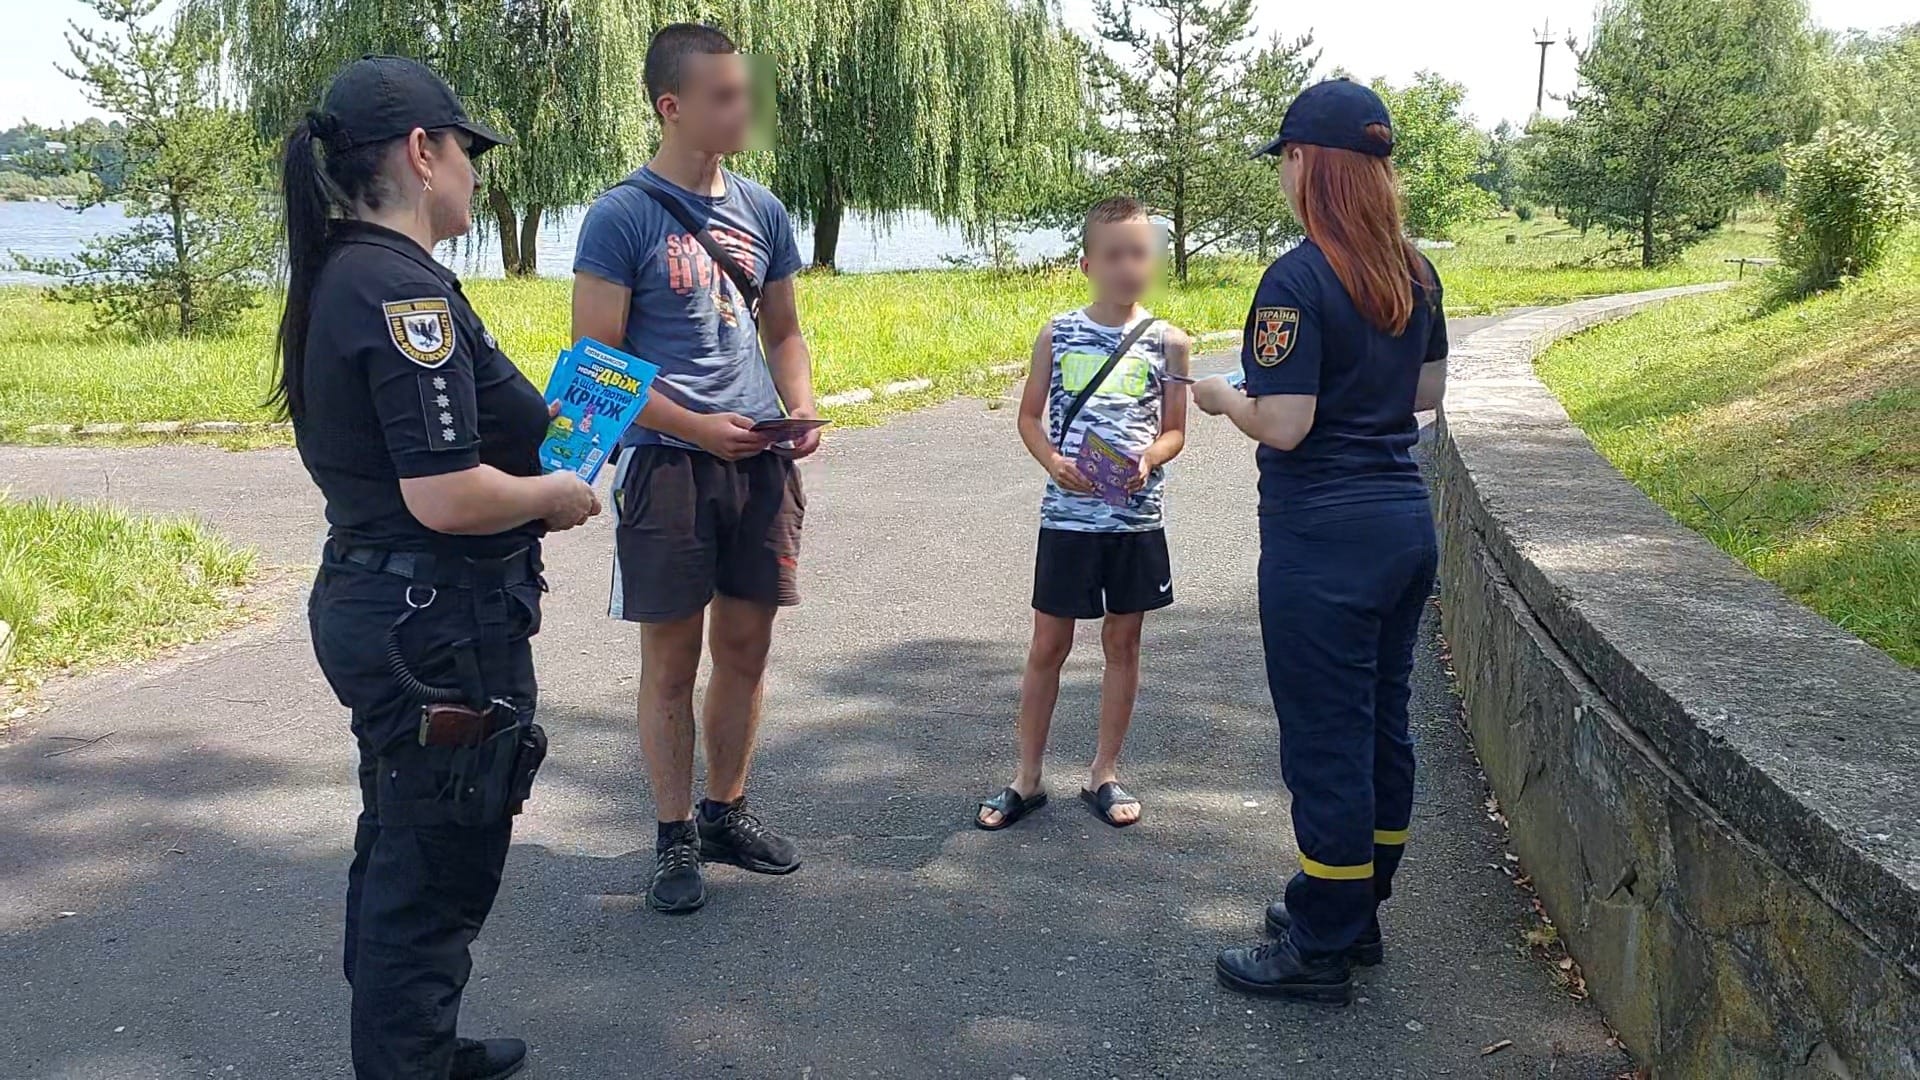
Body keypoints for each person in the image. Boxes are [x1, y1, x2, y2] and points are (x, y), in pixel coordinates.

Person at [277, 56, 601, 1077]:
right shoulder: (399, 291)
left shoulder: (356, 272)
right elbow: (445, 494)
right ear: (423, 154)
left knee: (412, 832)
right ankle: (406, 1061)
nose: (474, 173)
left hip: (400, 607)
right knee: (436, 857)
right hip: (434, 623)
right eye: (466, 150)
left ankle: (417, 1044)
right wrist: (552, 496)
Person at [1190, 79, 1449, 1005]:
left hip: (1322, 539)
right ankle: (1356, 908)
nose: (1283, 177)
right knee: (1381, 721)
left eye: (1286, 160)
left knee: (1325, 741)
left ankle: (1322, 945)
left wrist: (1222, 396)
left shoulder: (1294, 279)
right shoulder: (1416, 272)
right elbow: (1424, 399)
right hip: (1402, 526)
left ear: (1308, 163)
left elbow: (1287, 423)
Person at [571, 23, 819, 915]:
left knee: (746, 649)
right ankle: (674, 837)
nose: (741, 106)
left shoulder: (764, 210)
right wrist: (697, 429)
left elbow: (783, 331)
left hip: (758, 462)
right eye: (722, 95)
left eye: (743, 90)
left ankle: (727, 810)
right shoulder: (621, 215)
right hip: (670, 465)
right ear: (672, 107)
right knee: (672, 659)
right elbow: (592, 363)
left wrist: (796, 405)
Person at [975, 196, 1192, 832]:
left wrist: (1150, 458)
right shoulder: (1057, 332)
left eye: (1140, 254)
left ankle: (1104, 771)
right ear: (1086, 263)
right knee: (1049, 643)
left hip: (1134, 520)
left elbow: (1176, 431)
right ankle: (1027, 778)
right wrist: (1051, 461)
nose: (1128, 267)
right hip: (1067, 519)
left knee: (1122, 643)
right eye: (1114, 255)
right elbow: (1028, 417)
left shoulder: (1170, 343)